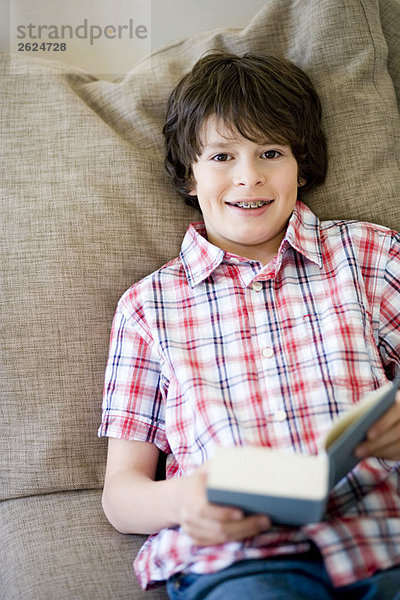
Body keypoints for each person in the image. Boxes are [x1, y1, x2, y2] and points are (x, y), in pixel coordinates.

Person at [98, 52, 400, 599]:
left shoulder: (371, 256)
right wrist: (183, 501)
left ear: (301, 165)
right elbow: (121, 492)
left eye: (270, 152)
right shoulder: (147, 307)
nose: (249, 176)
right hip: (238, 561)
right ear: (189, 175)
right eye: (221, 156)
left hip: (383, 537)